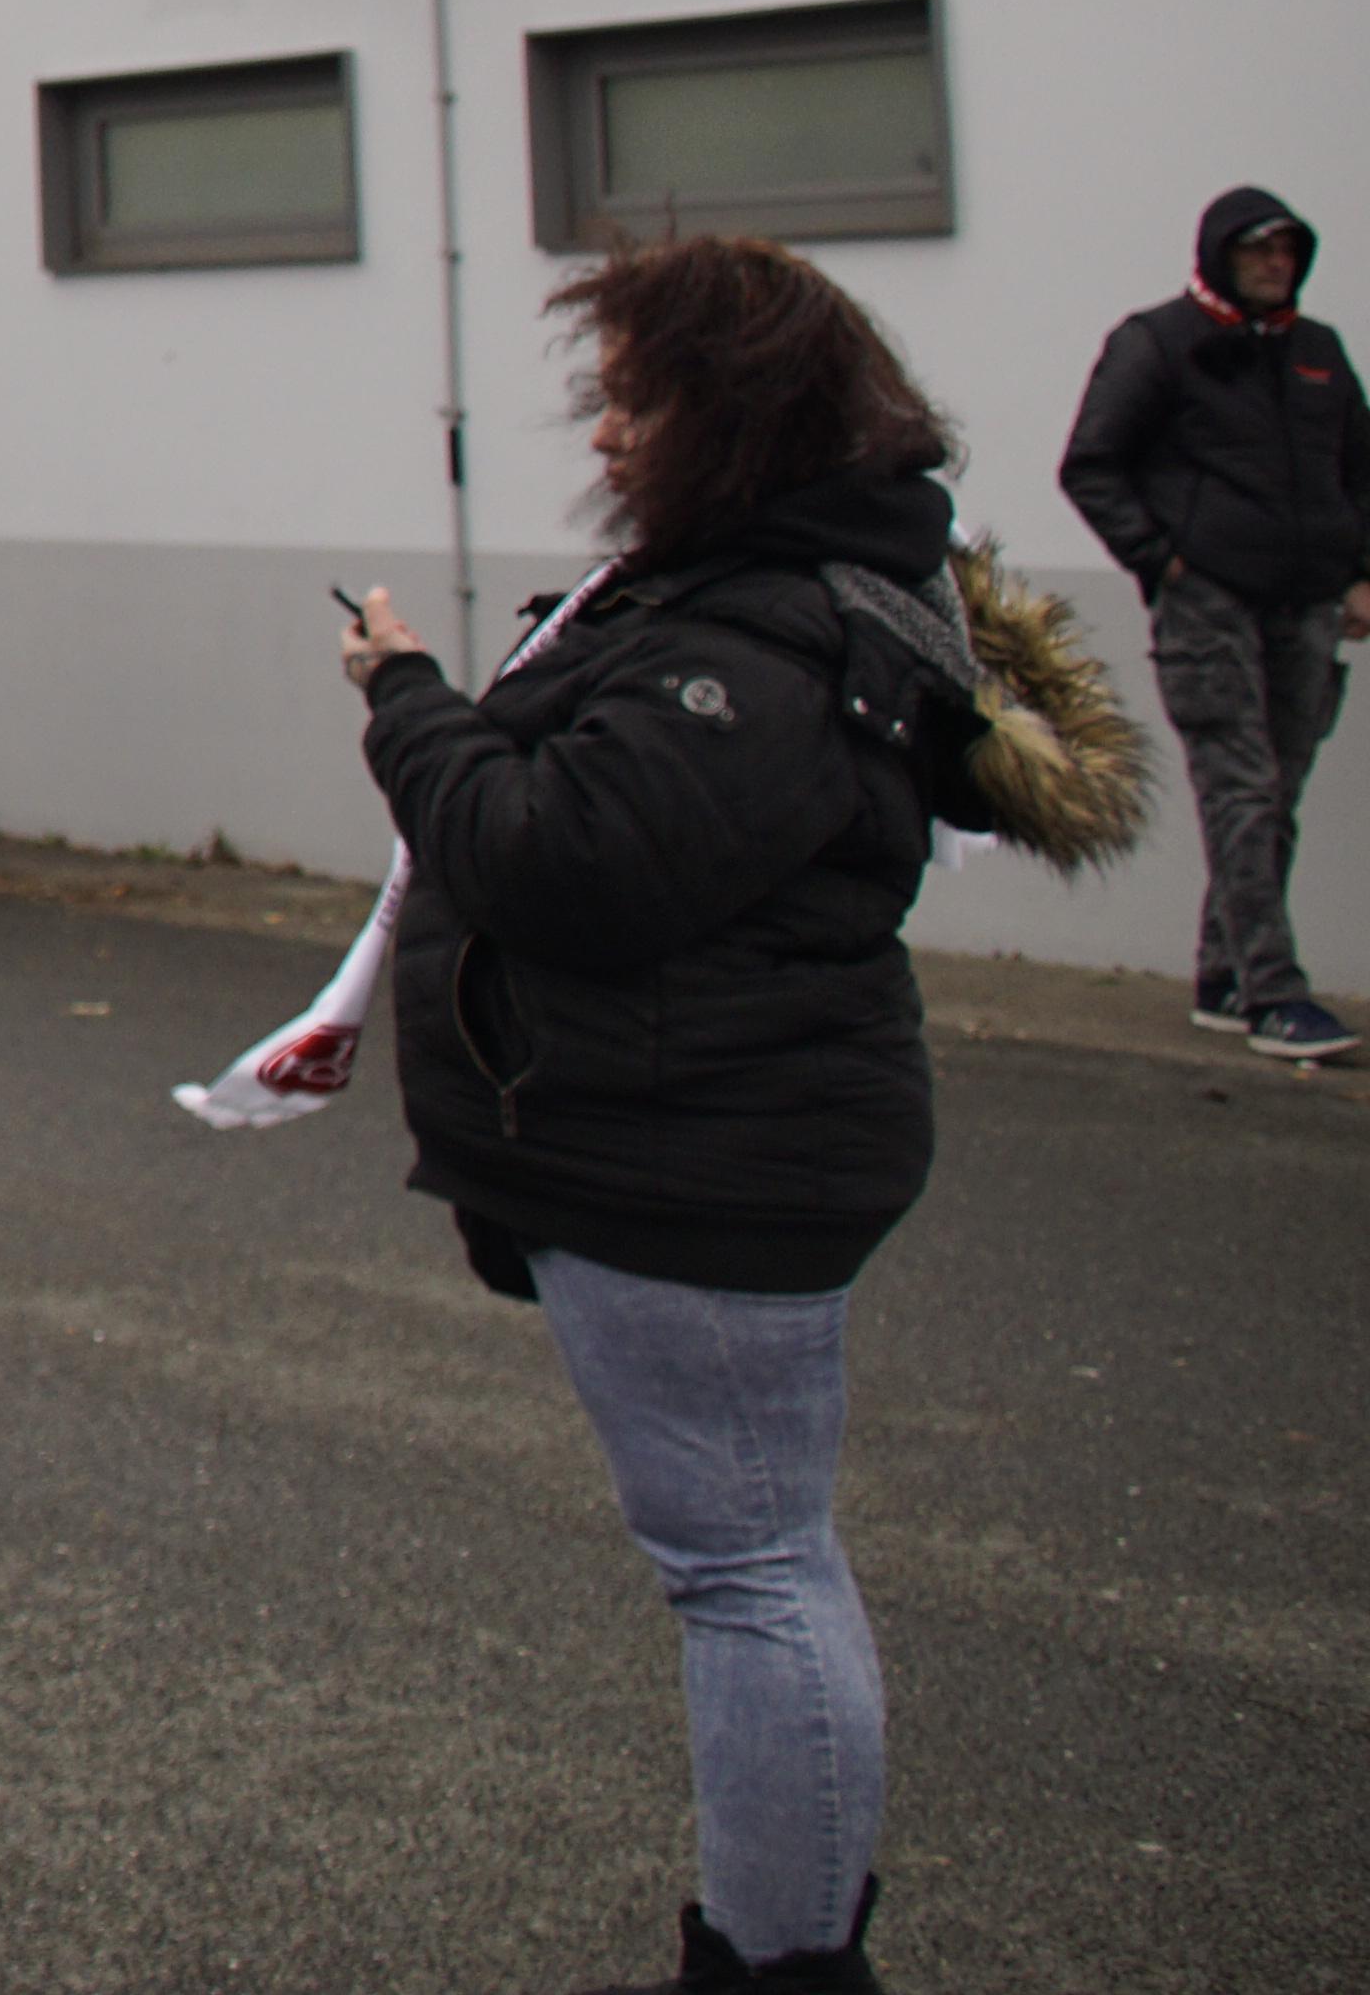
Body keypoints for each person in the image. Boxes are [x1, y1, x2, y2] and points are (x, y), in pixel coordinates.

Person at [338, 238, 1012, 1995]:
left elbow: (558, 856)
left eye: (640, 400)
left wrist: (404, 700)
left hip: (705, 1158)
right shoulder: (773, 587)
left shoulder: (762, 632)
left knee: (751, 1574)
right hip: (705, 1135)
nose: (610, 435)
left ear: (745, 421)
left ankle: (784, 1964)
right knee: (757, 1559)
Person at [1054, 183, 1367, 1063]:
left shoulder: (1319, 352)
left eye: (1287, 250)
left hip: (1308, 603)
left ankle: (1221, 975)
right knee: (1242, 789)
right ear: (1220, 255)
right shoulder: (1158, 343)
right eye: (1258, 249)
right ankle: (1276, 993)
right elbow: (1090, 466)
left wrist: (1361, 574)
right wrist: (1164, 561)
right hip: (1209, 605)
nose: (1275, 264)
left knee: (1280, 795)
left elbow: (1359, 469)